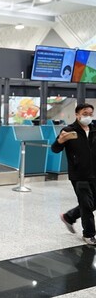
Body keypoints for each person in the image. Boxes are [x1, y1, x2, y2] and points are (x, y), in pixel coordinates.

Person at [53, 103, 96, 245]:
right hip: (79, 175)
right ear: (77, 114)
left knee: (92, 202)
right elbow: (55, 149)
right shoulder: (68, 131)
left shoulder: (95, 129)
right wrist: (60, 141)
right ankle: (89, 234)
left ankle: (69, 216)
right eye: (85, 113)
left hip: (94, 173)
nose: (88, 116)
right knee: (86, 204)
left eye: (90, 113)